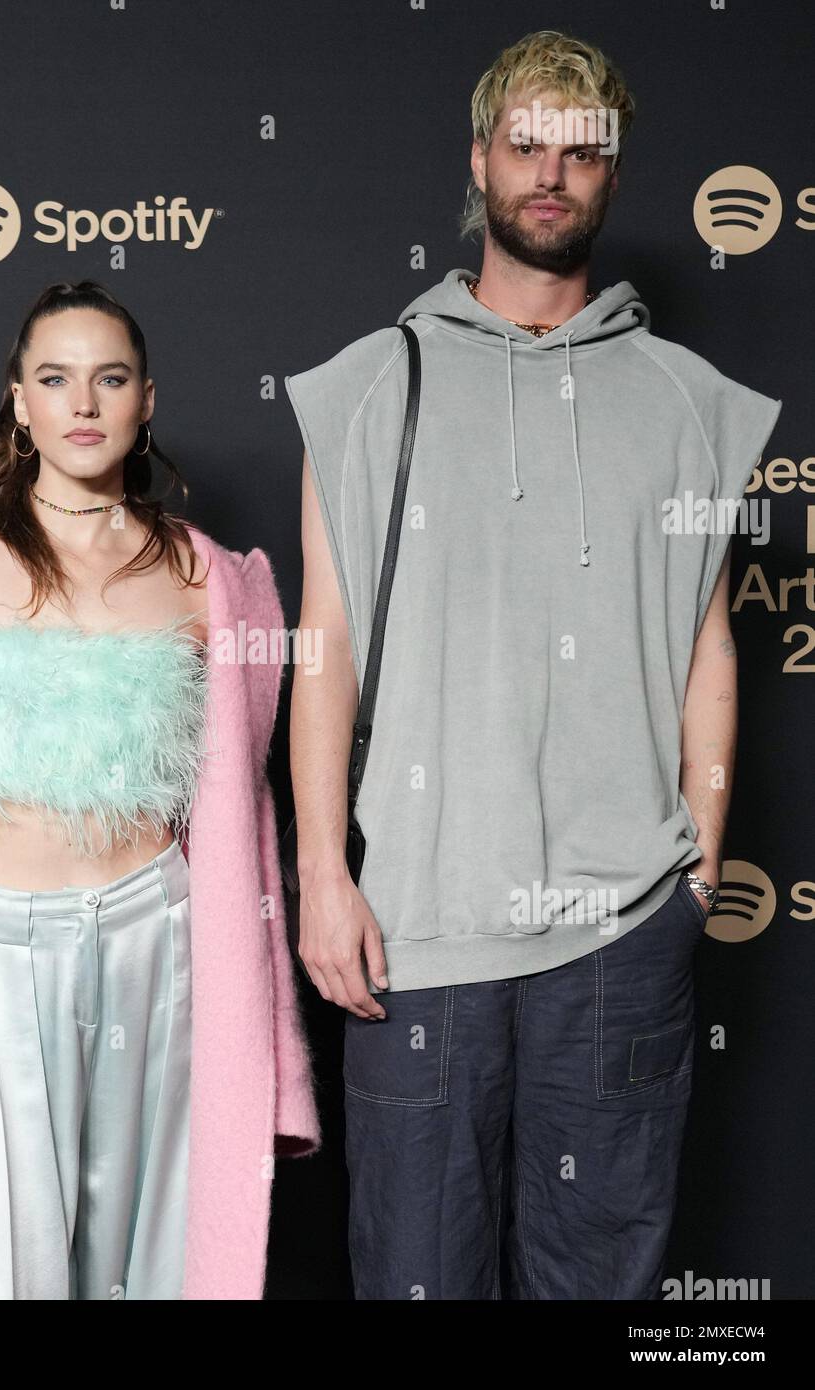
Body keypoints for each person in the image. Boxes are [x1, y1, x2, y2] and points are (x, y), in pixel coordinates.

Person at [284, 30, 781, 1300]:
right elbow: (321, 649)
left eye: (581, 151)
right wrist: (320, 875)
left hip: (619, 932)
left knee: (599, 1288)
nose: (549, 173)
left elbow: (706, 639)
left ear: (614, 177)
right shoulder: (363, 388)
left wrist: (701, 849)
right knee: (416, 1279)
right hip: (418, 930)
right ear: (479, 161)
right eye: (526, 145)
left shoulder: (689, 401)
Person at [0, 279, 320, 1301]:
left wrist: (270, 1055)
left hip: (155, 946)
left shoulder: (210, 577)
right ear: (18, 402)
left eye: (109, 378)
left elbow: (242, 832)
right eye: (55, 378)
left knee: (151, 1264)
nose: (83, 402)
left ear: (146, 402)